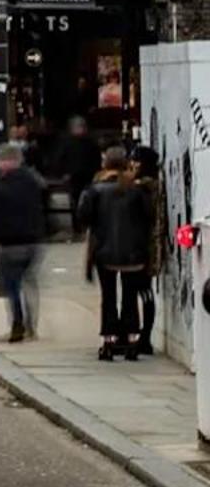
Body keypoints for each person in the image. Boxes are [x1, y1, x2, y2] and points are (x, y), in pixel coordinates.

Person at [79, 146, 155, 361]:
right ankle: (132, 339)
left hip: (105, 252)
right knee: (130, 296)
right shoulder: (137, 189)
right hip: (134, 253)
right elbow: (149, 216)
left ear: (106, 164)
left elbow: (83, 215)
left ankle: (110, 340)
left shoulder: (96, 189)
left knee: (109, 296)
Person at [0, 141, 50, 342]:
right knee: (30, 282)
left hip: (11, 243)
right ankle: (32, 327)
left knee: (12, 286)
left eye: (0, 161)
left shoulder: (3, 186)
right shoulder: (34, 181)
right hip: (35, 241)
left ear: (9, 161)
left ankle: (17, 324)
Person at [130, 144, 165, 358]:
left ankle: (143, 337)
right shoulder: (153, 186)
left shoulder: (142, 188)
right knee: (145, 292)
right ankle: (145, 336)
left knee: (141, 291)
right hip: (149, 246)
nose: (132, 164)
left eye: (136, 161)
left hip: (142, 247)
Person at [58, 115, 103, 233]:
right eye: (77, 127)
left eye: (81, 127)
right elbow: (61, 160)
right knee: (75, 202)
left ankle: (89, 226)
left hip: (89, 176)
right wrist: (64, 173)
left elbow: (96, 160)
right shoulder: (66, 143)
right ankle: (77, 227)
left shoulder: (91, 144)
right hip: (74, 178)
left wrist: (98, 174)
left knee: (90, 201)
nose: (80, 129)